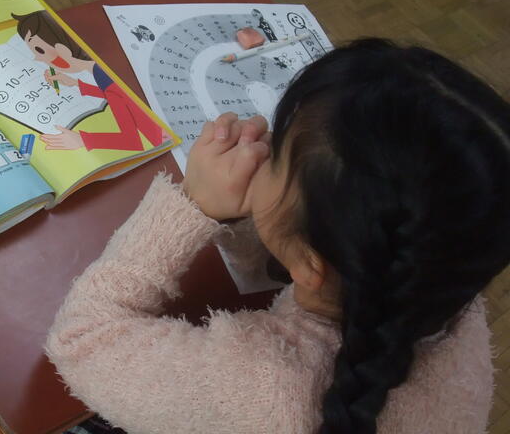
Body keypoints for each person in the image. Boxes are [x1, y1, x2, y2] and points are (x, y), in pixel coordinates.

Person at [46, 38, 510, 434]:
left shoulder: (258, 386)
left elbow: (83, 340)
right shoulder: (441, 270)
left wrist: (190, 206)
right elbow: (308, 261)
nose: (262, 146)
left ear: (311, 262)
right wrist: (257, 217)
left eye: (277, 154)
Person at [12, 10, 167, 152]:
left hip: (166, 143)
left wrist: (83, 140)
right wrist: (76, 84)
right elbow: (120, 96)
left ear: (62, 48)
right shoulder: (101, 71)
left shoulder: (107, 81)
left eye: (39, 50)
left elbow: (132, 141)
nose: (38, 58)